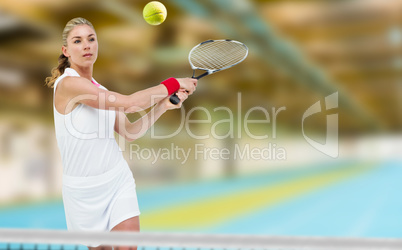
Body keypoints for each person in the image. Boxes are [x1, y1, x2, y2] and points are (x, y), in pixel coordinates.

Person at [45, 17, 197, 250]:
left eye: (91, 39)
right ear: (66, 50)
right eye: (77, 41)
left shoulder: (101, 90)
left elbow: (130, 131)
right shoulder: (68, 85)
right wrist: (173, 83)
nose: (86, 45)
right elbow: (129, 103)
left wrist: (162, 106)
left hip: (117, 180)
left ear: (97, 44)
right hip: (83, 193)